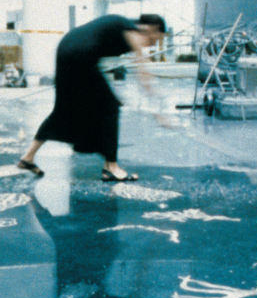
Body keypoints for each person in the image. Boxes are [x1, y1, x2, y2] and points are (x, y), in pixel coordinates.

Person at [17, 14, 170, 182]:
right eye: (157, 38)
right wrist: (158, 113)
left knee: (63, 110)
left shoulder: (123, 26)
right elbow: (144, 76)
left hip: (66, 50)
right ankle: (111, 167)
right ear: (151, 29)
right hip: (80, 56)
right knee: (110, 106)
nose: (155, 43)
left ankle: (28, 158)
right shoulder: (135, 32)